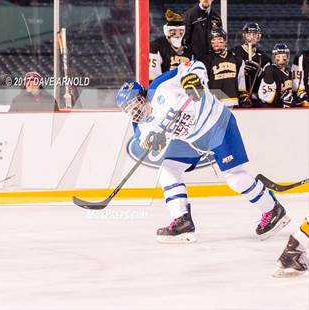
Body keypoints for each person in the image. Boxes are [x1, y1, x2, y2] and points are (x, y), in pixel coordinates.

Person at [116, 60, 290, 243]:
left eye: (134, 104)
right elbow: (146, 143)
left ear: (142, 95)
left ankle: (272, 209)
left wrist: (194, 79)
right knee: (167, 170)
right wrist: (154, 142)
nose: (134, 111)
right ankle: (182, 220)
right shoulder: (140, 124)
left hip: (218, 124)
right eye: (128, 109)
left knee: (234, 177)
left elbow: (194, 64)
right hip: (195, 141)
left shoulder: (161, 85)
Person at [204, 28, 247, 108]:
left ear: (225, 41)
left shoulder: (237, 58)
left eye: (219, 39)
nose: (216, 43)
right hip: (215, 103)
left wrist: (243, 96)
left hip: (233, 101)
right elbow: (204, 82)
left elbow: (241, 79)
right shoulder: (207, 60)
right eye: (214, 40)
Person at [233, 23, 271, 107]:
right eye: (249, 34)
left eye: (254, 34)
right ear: (244, 36)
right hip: (237, 98)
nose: (252, 36)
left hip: (256, 99)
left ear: (259, 36)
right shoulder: (234, 53)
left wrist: (260, 74)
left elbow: (268, 82)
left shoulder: (264, 58)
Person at [149, 9, 193, 82]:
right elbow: (153, 77)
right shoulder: (157, 46)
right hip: (165, 88)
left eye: (180, 31)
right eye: (173, 31)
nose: (178, 34)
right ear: (166, 31)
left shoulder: (188, 47)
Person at [258, 44, 297, 108]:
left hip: (284, 108)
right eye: (278, 56)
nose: (281, 58)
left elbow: (290, 93)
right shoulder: (270, 69)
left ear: (287, 57)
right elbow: (265, 96)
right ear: (274, 57)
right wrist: (282, 98)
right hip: (270, 108)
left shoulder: (289, 72)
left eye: (284, 56)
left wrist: (293, 99)